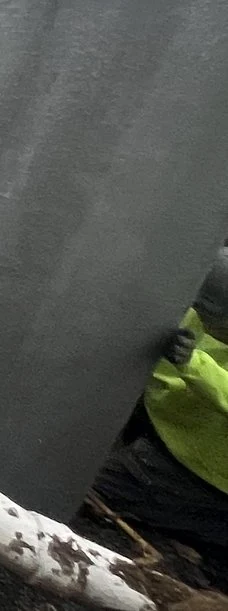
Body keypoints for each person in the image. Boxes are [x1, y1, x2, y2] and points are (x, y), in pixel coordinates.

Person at [89, 246, 228, 576]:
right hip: (171, 427)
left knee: (84, 488)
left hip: (204, 473)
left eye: (218, 319)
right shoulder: (202, 307)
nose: (207, 322)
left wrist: (194, 364)